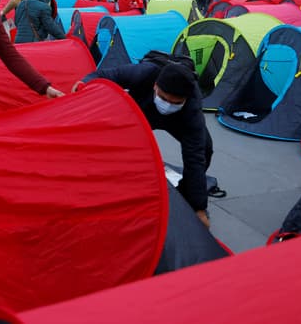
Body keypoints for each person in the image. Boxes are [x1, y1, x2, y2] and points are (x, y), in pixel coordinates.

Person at [72, 59, 213, 227]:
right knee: (118, 143)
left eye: (175, 102)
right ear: (155, 86)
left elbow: (195, 157)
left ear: (186, 99)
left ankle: (184, 195)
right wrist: (84, 83)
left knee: (204, 148)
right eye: (164, 98)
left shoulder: (192, 108)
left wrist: (199, 207)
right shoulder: (144, 73)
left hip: (178, 120)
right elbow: (103, 75)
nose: (167, 105)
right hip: (143, 109)